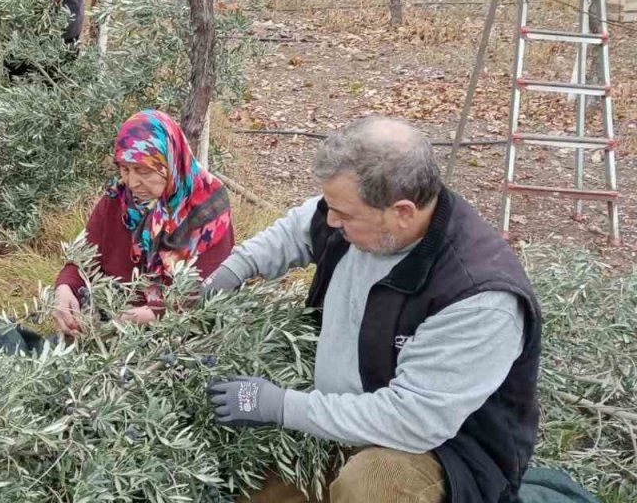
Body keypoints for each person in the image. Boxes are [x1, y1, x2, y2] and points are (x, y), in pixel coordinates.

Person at [201, 117, 541, 503]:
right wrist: (227, 275)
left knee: (372, 485)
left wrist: (280, 405)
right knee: (251, 483)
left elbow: (411, 420)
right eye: (331, 208)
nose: (331, 221)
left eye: (343, 214)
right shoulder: (360, 221)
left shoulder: (477, 297)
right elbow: (298, 227)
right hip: (338, 417)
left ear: (402, 212)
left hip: (439, 454)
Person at [51, 109, 235, 333]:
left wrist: (157, 314)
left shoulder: (208, 209)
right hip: (112, 326)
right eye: (125, 169)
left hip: (180, 337)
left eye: (143, 171)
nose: (132, 183)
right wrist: (65, 288)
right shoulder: (116, 200)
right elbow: (83, 258)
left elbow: (211, 291)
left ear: (170, 164)